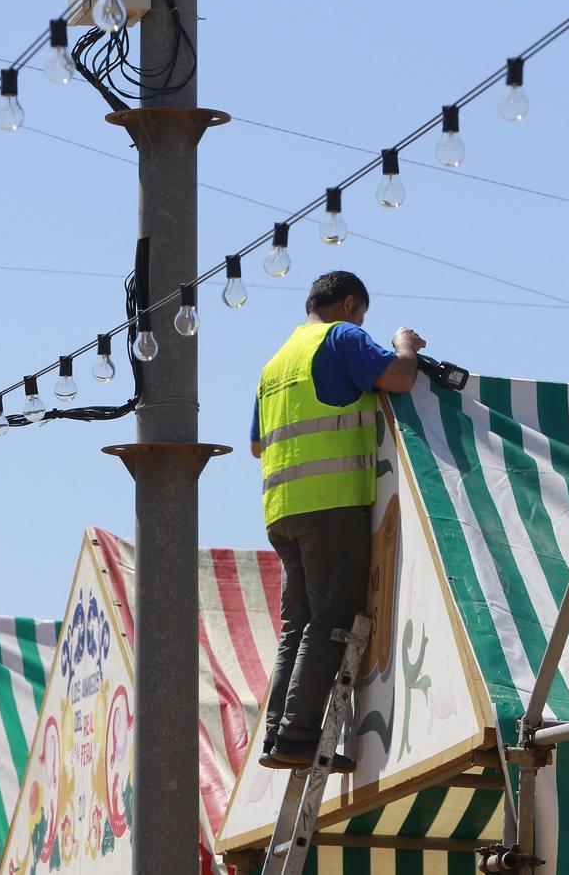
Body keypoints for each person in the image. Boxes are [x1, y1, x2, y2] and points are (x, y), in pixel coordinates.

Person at [251, 270, 425, 770]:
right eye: (362, 315)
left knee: (297, 625)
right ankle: (298, 737)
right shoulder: (343, 336)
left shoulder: (274, 364)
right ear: (349, 304)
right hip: (333, 503)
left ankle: (276, 737)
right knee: (331, 622)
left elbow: (257, 444)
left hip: (282, 510)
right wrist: (403, 346)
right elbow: (398, 377)